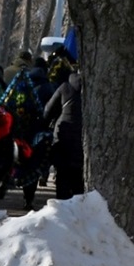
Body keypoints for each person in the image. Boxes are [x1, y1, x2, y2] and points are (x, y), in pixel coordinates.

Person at [44, 61, 85, 200]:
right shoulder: (92, 90)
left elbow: (48, 110)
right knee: (79, 178)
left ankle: (62, 205)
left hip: (63, 136)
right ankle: (78, 206)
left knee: (62, 174)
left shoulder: (65, 87)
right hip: (83, 137)